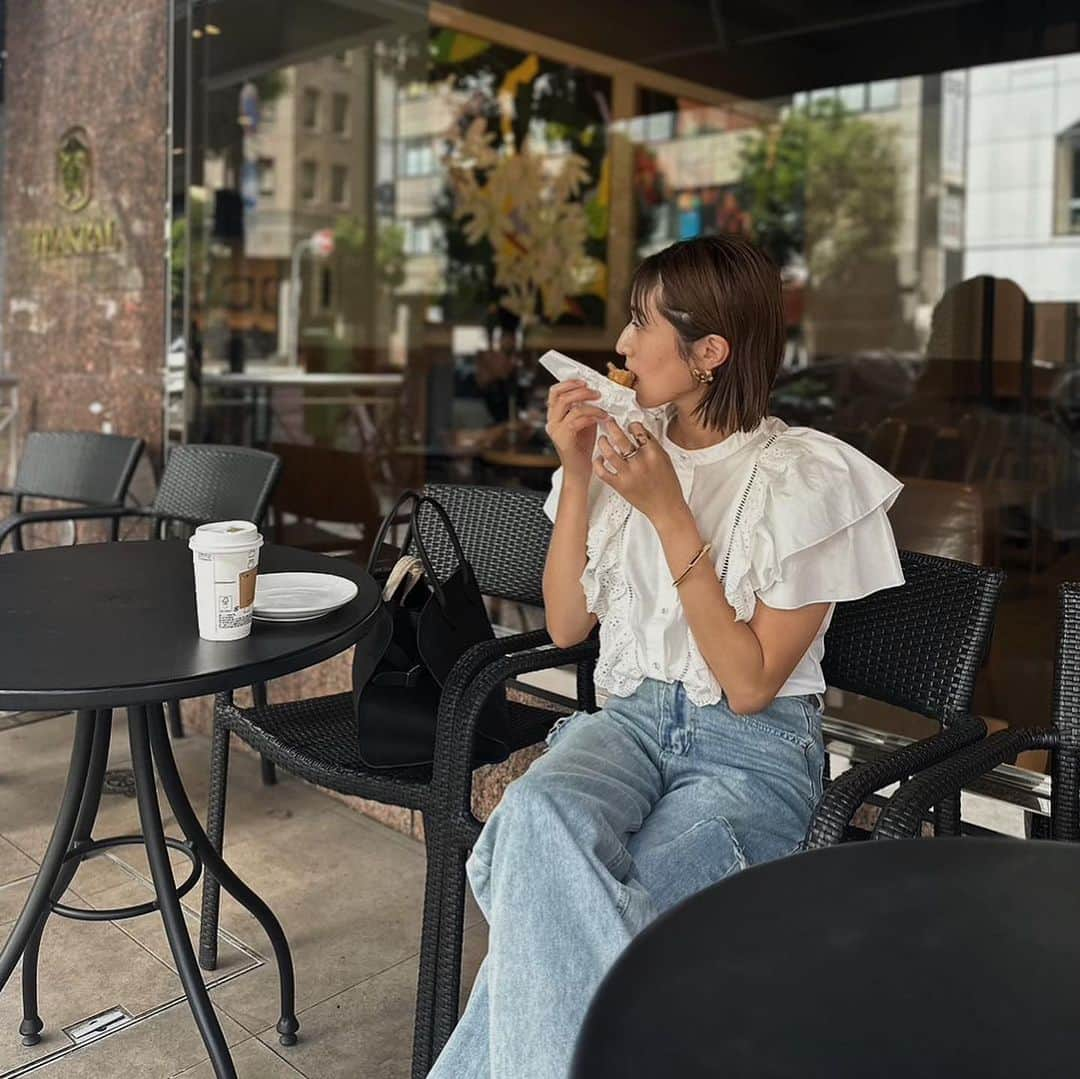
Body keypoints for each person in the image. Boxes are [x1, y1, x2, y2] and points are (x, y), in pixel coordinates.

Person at [428, 235, 904, 1079]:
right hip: (628, 725)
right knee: (534, 822)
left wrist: (671, 512)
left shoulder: (804, 478)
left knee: (593, 912)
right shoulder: (623, 445)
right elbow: (570, 624)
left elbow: (752, 684)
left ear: (709, 351)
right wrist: (577, 473)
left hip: (749, 753)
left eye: (642, 322)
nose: (620, 344)